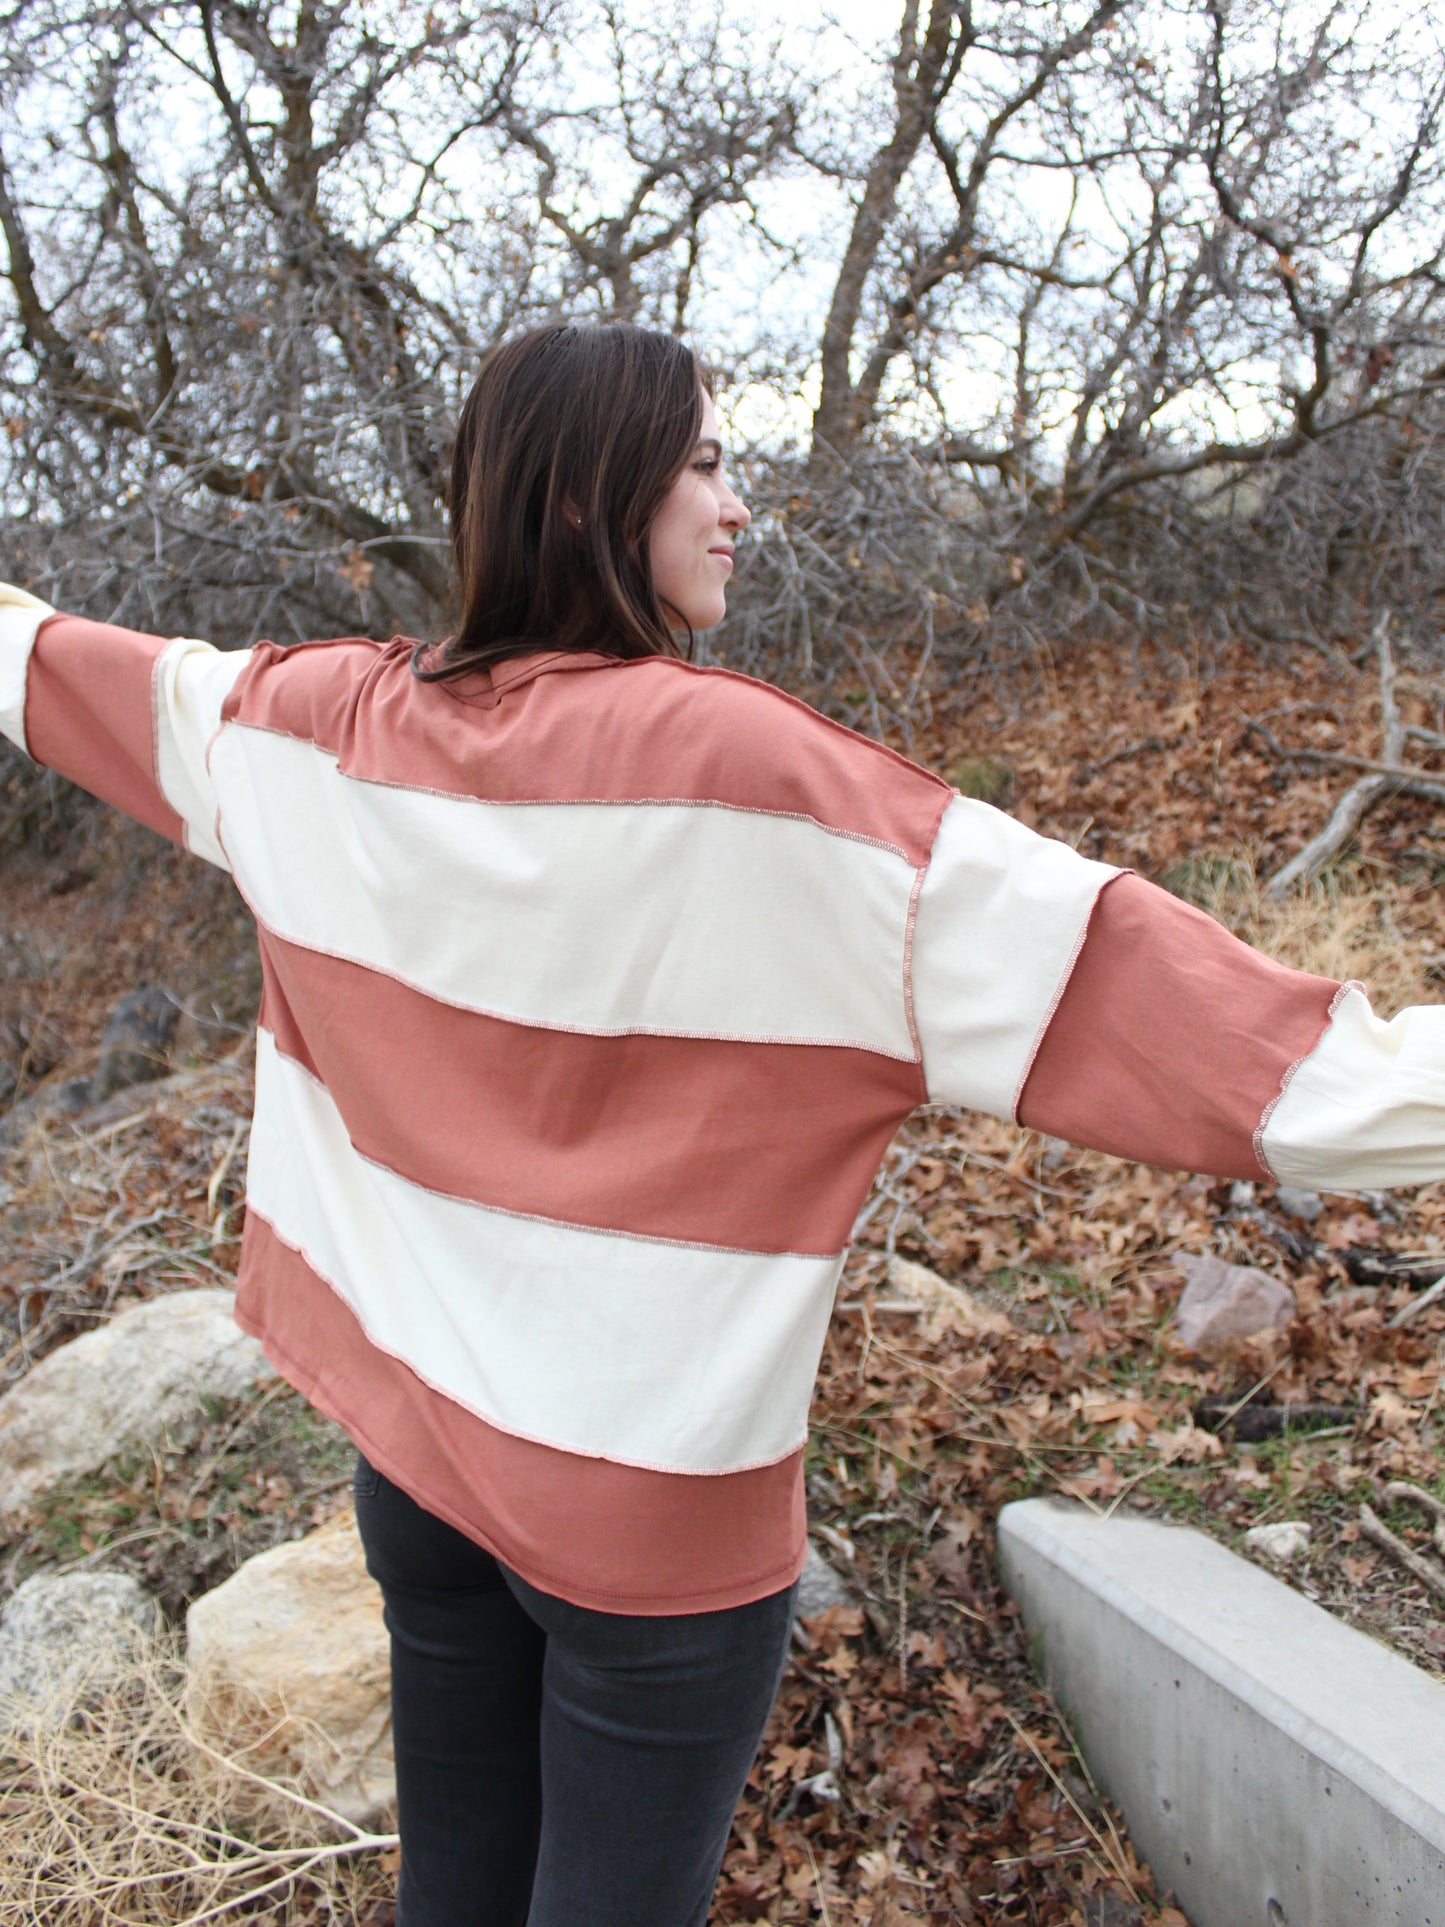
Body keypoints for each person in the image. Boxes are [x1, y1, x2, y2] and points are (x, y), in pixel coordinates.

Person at [0, 319, 1440, 1926]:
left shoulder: (309, 729)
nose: (739, 504)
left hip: (415, 1461)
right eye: (701, 461)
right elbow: (1226, 1048)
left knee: (454, 1897)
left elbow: (40, 662)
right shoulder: (766, 783)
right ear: (582, 498)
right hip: (648, 1532)